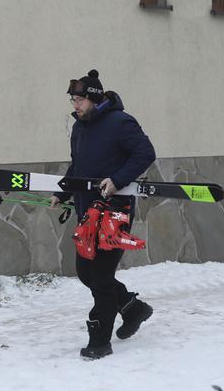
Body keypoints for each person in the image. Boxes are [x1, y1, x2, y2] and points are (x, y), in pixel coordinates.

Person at [50, 69, 156, 360]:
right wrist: (62, 193)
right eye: (73, 99)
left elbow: (145, 154)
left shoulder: (121, 123)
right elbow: (77, 168)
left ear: (94, 99)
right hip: (87, 212)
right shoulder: (80, 128)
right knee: (87, 272)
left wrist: (118, 179)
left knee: (99, 275)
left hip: (114, 214)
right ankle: (133, 309)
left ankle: (99, 340)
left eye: (79, 100)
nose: (75, 105)